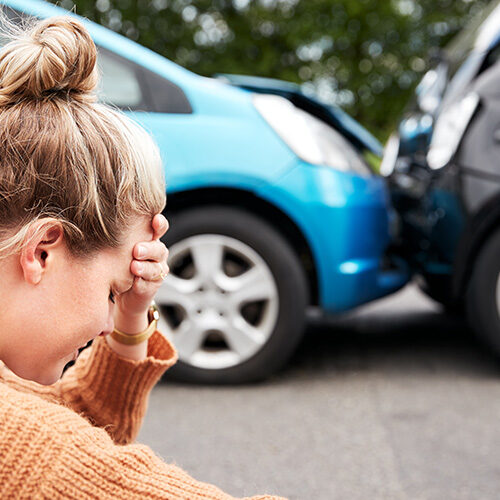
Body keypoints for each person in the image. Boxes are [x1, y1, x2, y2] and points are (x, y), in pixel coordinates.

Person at [0, 14, 287, 500]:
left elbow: (71, 423)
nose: (107, 324)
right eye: (112, 290)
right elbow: (58, 457)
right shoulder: (31, 448)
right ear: (42, 253)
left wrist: (134, 313)